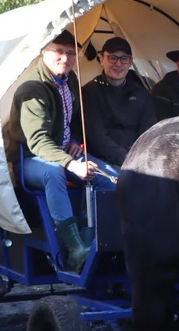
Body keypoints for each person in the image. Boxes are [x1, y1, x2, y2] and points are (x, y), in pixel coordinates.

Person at [7, 28, 116, 271]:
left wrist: (75, 139)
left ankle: (103, 243)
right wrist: (73, 164)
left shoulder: (69, 79)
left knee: (110, 177)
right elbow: (37, 141)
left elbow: (73, 118)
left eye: (70, 53)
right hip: (29, 158)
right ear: (43, 53)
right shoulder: (32, 88)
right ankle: (75, 249)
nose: (65, 58)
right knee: (52, 173)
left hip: (63, 154)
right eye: (58, 51)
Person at [80, 36, 157, 168]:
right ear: (102, 59)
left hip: (139, 159)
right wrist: (126, 160)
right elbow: (96, 137)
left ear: (130, 62)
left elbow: (150, 130)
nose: (118, 64)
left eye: (124, 58)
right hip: (104, 160)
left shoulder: (141, 92)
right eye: (113, 57)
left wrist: (142, 159)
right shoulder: (89, 92)